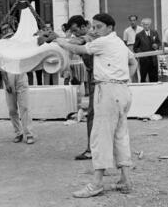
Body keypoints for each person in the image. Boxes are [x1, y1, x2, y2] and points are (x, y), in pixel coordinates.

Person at [56, 13, 137, 197]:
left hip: (108, 90)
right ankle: (125, 179)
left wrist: (59, 42)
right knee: (120, 135)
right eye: (93, 26)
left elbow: (79, 50)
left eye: (98, 27)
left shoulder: (105, 41)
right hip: (122, 91)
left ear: (109, 28)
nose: (94, 30)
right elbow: (133, 62)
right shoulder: (118, 43)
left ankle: (97, 183)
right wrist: (123, 79)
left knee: (100, 137)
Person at [65, 15, 94, 160]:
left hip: (100, 79)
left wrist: (60, 40)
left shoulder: (91, 35)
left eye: (76, 30)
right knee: (92, 115)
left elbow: (79, 42)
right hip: (94, 77)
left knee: (94, 115)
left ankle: (92, 150)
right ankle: (93, 148)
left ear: (84, 26)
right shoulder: (85, 35)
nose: (75, 33)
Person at [0, 24, 34, 144]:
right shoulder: (2, 46)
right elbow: (1, 65)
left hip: (21, 73)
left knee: (25, 106)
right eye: (4, 30)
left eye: (8, 29)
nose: (7, 32)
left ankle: (29, 133)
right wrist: (6, 81)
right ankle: (18, 132)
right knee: (12, 109)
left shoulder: (20, 43)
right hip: (8, 75)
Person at [133, 18, 161, 82]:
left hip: (153, 60)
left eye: (147, 24)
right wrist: (142, 54)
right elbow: (135, 48)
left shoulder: (154, 32)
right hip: (144, 61)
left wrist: (157, 46)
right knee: (143, 78)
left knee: (154, 79)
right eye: (145, 24)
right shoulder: (138, 35)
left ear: (150, 24)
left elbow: (159, 43)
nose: (146, 26)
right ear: (142, 25)